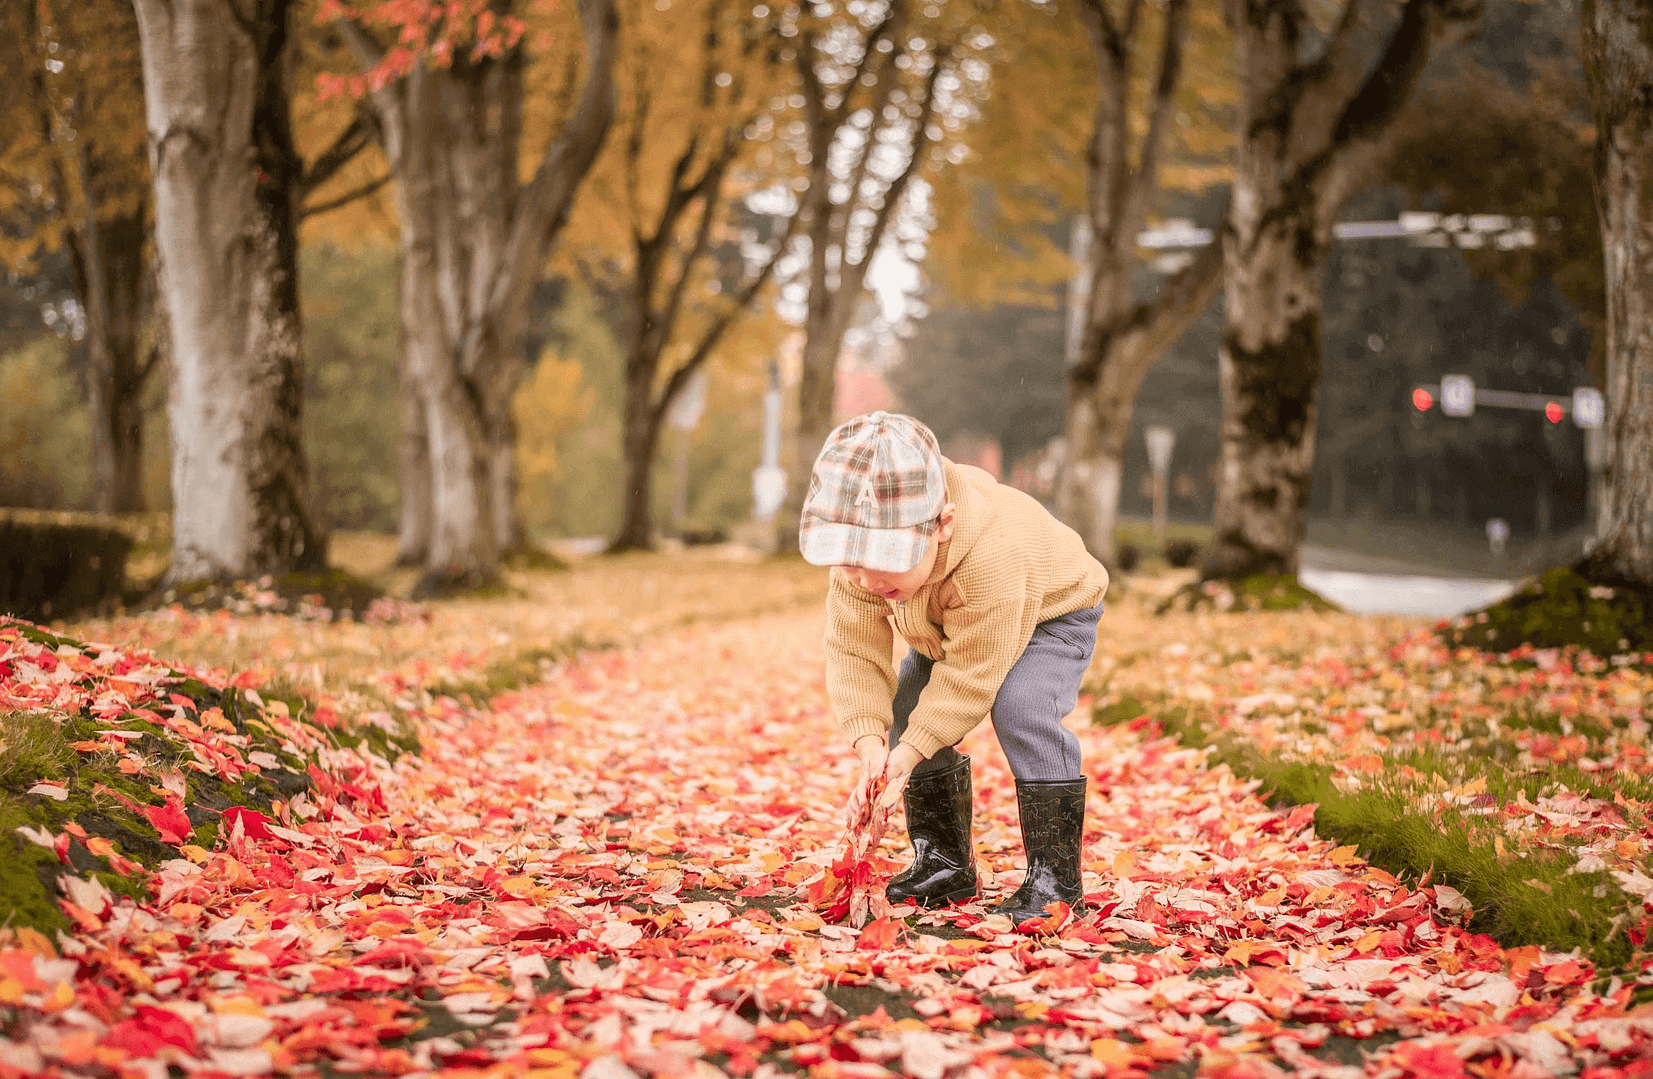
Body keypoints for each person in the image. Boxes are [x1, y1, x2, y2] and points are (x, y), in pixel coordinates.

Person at [799, 411, 1109, 923]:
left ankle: (1056, 881)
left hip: (1050, 615)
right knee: (909, 702)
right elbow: (855, 649)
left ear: (941, 525)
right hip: (945, 619)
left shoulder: (991, 558)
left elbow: (969, 677)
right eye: (852, 559)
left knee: (1022, 708)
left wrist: (910, 753)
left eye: (886, 556)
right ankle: (945, 863)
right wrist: (874, 749)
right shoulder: (859, 571)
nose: (866, 577)